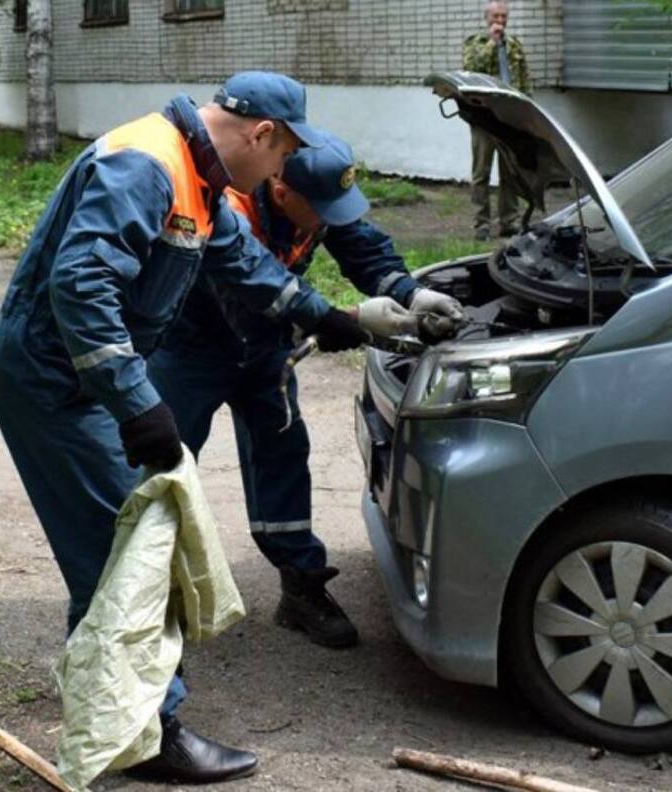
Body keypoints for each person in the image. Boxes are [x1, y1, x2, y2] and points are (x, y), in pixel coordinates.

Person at [0, 72, 396, 785]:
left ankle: (117, 714)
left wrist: (335, 319)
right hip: (54, 383)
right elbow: (82, 285)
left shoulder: (196, 179)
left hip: (82, 378)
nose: (275, 175)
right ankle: (147, 733)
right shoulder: (147, 164)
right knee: (125, 554)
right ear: (262, 134)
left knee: (125, 547)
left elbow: (247, 267)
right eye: (277, 159)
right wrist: (137, 402)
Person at [148, 133, 464, 648]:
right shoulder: (227, 209)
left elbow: (359, 244)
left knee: (284, 454)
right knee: (166, 466)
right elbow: (250, 290)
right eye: (318, 210)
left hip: (264, 352)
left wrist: (412, 293)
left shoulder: (316, 199)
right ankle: (150, 591)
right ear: (278, 186)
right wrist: (349, 320)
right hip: (192, 350)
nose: (326, 220)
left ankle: (300, 586)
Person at [462, 0, 532, 240]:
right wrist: (492, 42)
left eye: (504, 17)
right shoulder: (475, 43)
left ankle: (508, 221)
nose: (500, 22)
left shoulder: (514, 45)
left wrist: (527, 112)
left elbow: (524, 81)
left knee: (510, 173)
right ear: (487, 19)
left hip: (510, 118)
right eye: (496, 17)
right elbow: (472, 68)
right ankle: (481, 224)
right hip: (484, 117)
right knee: (481, 172)